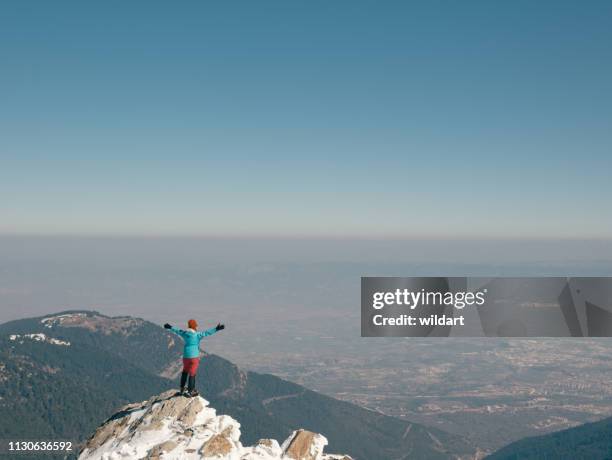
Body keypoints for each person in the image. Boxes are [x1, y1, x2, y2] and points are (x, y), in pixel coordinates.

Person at [163, 319, 225, 397]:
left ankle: (182, 389)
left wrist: (170, 327)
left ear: (188, 326)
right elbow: (207, 333)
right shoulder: (197, 335)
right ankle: (190, 391)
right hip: (194, 357)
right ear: (195, 326)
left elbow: (177, 330)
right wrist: (216, 329)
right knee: (192, 373)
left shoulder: (185, 333)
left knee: (185, 372)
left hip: (186, 356)